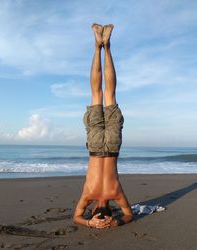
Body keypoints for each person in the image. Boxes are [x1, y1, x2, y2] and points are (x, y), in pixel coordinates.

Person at [73, 23, 133, 229]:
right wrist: (90, 223)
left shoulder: (116, 193)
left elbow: (129, 215)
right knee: (97, 93)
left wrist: (117, 222)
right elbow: (76, 217)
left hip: (113, 147)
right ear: (93, 210)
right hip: (96, 147)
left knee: (110, 94)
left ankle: (106, 47)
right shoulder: (88, 194)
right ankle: (97, 46)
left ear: (110, 209)